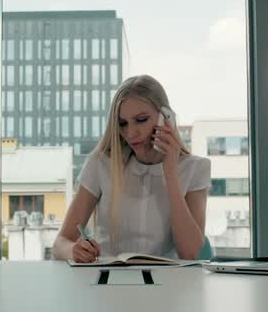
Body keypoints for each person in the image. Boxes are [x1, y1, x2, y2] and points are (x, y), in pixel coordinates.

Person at [52, 75, 211, 262]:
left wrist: (170, 175)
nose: (131, 132)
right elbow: (60, 243)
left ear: (166, 118)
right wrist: (73, 250)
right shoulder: (101, 163)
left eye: (141, 119)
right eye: (123, 124)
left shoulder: (195, 168)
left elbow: (191, 254)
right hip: (107, 279)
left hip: (167, 284)